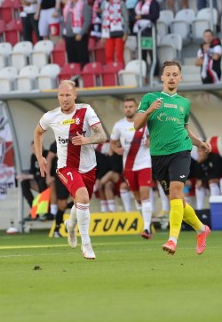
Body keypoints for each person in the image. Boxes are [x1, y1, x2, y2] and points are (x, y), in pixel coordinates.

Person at [133, 61, 212, 255]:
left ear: (180, 78)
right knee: (179, 202)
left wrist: (199, 143)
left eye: (175, 74)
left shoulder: (184, 103)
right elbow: (136, 125)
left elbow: (184, 128)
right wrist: (150, 109)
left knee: (176, 194)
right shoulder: (150, 98)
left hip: (181, 152)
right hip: (159, 155)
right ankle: (202, 229)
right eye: (168, 74)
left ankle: (172, 240)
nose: (171, 77)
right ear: (162, 77)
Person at [34, 81, 108, 260]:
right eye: (61, 95)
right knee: (82, 197)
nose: (64, 99)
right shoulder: (50, 116)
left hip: (89, 167)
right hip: (66, 167)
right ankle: (86, 244)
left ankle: (70, 226)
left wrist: (87, 140)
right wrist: (39, 156)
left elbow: (102, 135)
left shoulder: (86, 111)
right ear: (57, 96)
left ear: (75, 95)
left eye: (68, 95)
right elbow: (38, 133)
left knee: (81, 202)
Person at [110, 98, 155, 239]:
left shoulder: (145, 122)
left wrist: (150, 141)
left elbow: (154, 136)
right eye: (126, 107)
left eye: (131, 106)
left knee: (145, 195)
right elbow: (112, 142)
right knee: (137, 198)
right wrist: (116, 149)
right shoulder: (119, 126)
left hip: (144, 164)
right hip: (128, 167)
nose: (128, 109)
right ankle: (146, 223)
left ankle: (146, 228)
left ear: (136, 108)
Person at [62, 0, 92, 66]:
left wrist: (81, 34)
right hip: (68, 35)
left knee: (82, 58)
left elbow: (87, 21)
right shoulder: (67, 6)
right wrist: (63, 34)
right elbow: (64, 20)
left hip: (80, 36)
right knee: (71, 60)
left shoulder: (84, 5)